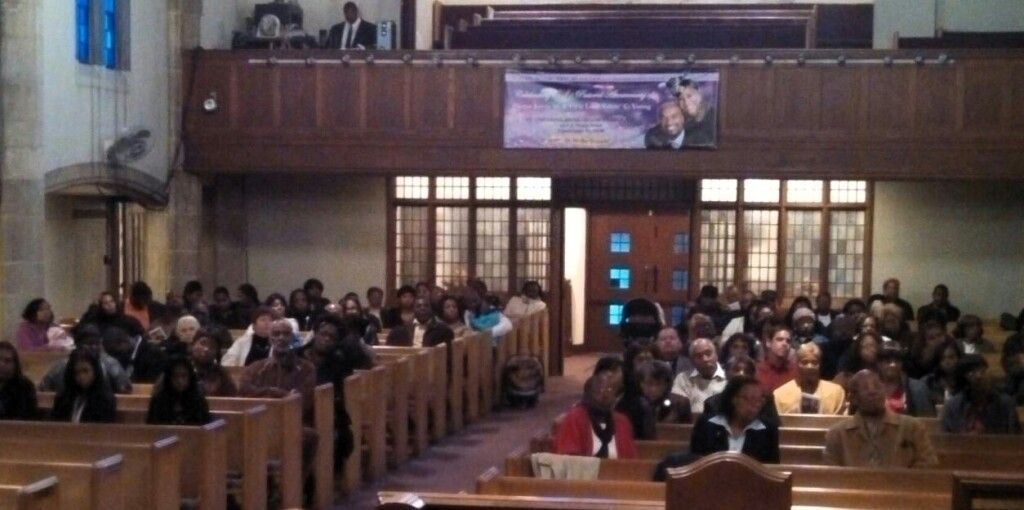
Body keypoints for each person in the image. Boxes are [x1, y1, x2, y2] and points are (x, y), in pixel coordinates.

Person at [240, 319, 319, 486]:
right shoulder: (255, 368)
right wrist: (276, 392)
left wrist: (265, 393)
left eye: (286, 334)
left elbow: (302, 400)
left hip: (292, 423)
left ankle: (292, 488)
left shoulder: (306, 368)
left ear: (293, 338)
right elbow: (245, 392)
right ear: (270, 338)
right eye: (276, 334)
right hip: (259, 423)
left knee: (308, 436)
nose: (281, 338)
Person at [823, 370, 937, 468]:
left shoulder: (912, 427)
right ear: (853, 398)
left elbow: (928, 465)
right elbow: (832, 475)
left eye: (877, 386)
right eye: (865, 388)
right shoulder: (837, 434)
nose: (873, 391)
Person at [690, 376, 779, 462]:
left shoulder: (767, 431)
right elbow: (695, 462)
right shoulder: (707, 425)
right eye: (751, 399)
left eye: (759, 400)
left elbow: (771, 468)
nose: (756, 405)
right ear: (734, 399)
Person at [553, 373, 637, 459]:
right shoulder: (575, 419)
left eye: (609, 389)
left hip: (617, 468)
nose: (604, 394)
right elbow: (568, 457)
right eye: (599, 390)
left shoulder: (622, 422)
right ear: (588, 394)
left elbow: (630, 460)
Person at [39, 324, 132, 394]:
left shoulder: (111, 364)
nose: (93, 347)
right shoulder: (62, 366)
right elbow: (44, 387)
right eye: (89, 344)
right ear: (78, 345)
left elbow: (125, 389)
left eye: (96, 343)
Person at [940, 355, 1020, 434]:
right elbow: (947, 438)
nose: (979, 376)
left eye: (983, 371)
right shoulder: (953, 406)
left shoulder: (1005, 404)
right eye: (972, 373)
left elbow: (1014, 438)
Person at [773, 343, 845, 415]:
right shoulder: (780, 395)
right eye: (804, 362)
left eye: (814, 362)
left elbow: (841, 421)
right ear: (797, 364)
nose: (810, 367)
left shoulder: (836, 393)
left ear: (820, 365)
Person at [50, 348, 117, 423]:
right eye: (77, 372)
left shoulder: (105, 400)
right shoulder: (63, 397)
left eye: (85, 371)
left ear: (95, 371)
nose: (81, 377)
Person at [146, 357, 213, 425]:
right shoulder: (158, 401)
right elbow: (151, 428)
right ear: (169, 378)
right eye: (175, 376)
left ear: (190, 377)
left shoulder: (198, 401)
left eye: (184, 376)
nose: (180, 381)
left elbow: (206, 427)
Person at [670, 338, 726, 414]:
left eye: (708, 353)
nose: (705, 359)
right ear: (692, 360)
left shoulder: (729, 376)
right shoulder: (682, 379)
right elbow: (678, 410)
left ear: (716, 355)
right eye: (699, 356)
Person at [876, 346, 935, 417]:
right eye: (888, 361)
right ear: (879, 364)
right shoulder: (871, 389)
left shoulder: (918, 388)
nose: (893, 365)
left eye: (897, 361)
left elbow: (927, 420)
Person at [386, 297, 453, 348]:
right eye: (418, 306)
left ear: (431, 309)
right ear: (413, 310)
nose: (422, 308)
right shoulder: (399, 331)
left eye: (426, 306)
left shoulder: (443, 330)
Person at [190, 328, 237, 397]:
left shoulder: (222, 375)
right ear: (192, 345)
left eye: (212, 346)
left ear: (217, 353)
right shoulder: (182, 368)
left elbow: (231, 400)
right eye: (202, 343)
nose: (206, 349)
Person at [78, 291, 146, 338]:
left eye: (112, 301)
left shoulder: (128, 320)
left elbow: (141, 335)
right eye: (105, 303)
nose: (110, 305)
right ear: (101, 306)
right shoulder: (97, 321)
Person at [755, 322, 797, 395]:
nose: (784, 344)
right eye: (779, 339)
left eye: (788, 341)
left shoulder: (796, 371)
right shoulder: (757, 371)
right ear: (768, 342)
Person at [0, 342, 39, 420]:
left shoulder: (25, 387)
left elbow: (28, 417)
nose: (1, 364)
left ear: (15, 364)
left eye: (7, 361)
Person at [676, 78, 716, 147]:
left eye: (689, 96)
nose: (686, 102)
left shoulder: (714, 118)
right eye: (681, 99)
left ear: (700, 94)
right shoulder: (682, 122)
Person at [921, 339, 962, 406]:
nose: (947, 362)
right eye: (942, 358)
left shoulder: (965, 383)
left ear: (958, 358)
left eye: (951, 357)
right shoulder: (928, 381)